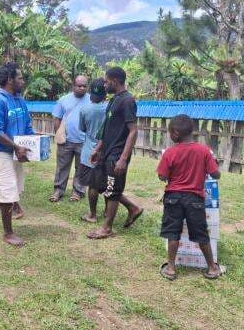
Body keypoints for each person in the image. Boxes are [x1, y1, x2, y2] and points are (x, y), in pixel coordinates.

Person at [157, 114, 222, 280]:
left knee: (173, 232)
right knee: (201, 233)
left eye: (170, 132)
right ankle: (212, 268)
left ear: (176, 134)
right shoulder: (204, 151)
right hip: (195, 199)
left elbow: (162, 176)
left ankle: (171, 268)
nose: (170, 135)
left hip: (173, 198)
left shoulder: (170, 153)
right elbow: (216, 174)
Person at [87, 67, 143, 240]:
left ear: (115, 81)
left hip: (117, 154)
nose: (104, 84)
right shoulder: (114, 100)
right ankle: (133, 208)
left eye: (106, 81)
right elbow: (107, 128)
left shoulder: (127, 101)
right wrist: (98, 148)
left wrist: (123, 159)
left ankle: (107, 228)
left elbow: (133, 131)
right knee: (106, 186)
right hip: (107, 152)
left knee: (112, 189)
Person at [0, 62, 33, 246]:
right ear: (10, 80)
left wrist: (31, 144)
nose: (22, 81)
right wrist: (15, 147)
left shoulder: (20, 100)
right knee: (8, 191)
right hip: (1, 153)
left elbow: (27, 125)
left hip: (16, 153)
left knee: (14, 190)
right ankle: (8, 233)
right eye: (19, 78)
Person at [49, 76, 89, 202]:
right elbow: (57, 119)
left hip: (84, 141)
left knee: (81, 167)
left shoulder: (91, 100)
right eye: (79, 85)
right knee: (62, 167)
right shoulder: (63, 100)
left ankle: (78, 192)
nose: (82, 88)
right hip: (66, 141)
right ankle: (58, 190)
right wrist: (59, 135)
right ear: (73, 86)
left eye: (84, 86)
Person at [77, 79, 108, 223]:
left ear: (90, 94)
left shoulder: (84, 110)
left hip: (90, 152)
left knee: (92, 186)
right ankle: (108, 212)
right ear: (105, 94)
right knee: (109, 184)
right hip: (107, 152)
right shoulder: (109, 108)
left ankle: (93, 214)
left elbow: (82, 128)